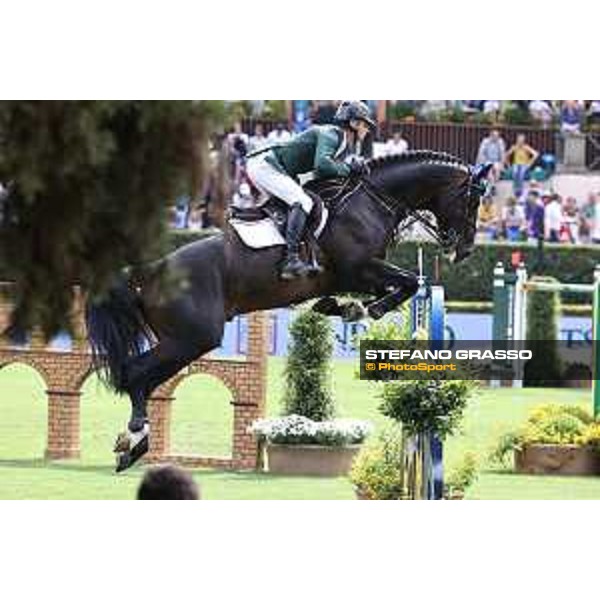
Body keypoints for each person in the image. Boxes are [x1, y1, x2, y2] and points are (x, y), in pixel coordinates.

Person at [246, 100, 375, 280]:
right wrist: (349, 169)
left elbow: (323, 173)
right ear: (354, 123)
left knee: (302, 205)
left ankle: (291, 255)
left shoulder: (343, 144)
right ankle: (290, 260)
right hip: (265, 165)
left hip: (273, 168)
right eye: (365, 124)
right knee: (303, 201)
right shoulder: (332, 134)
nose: (367, 129)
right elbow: (322, 166)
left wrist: (350, 170)